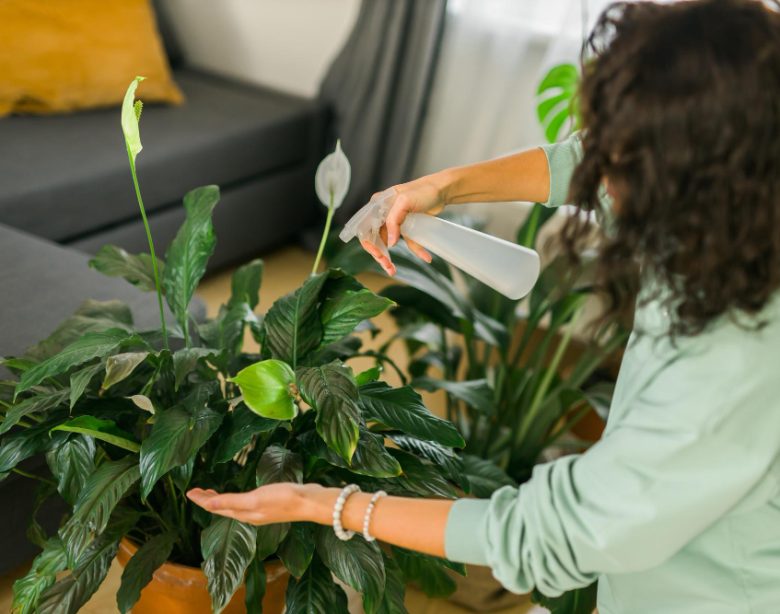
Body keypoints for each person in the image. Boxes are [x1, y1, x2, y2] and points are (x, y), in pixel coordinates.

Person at [187, 1, 780, 611]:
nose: (599, 167)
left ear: (692, 176)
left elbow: (546, 532)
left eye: (620, 158)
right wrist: (441, 186)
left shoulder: (732, 360)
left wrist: (323, 504)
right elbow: (578, 159)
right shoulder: (736, 214)